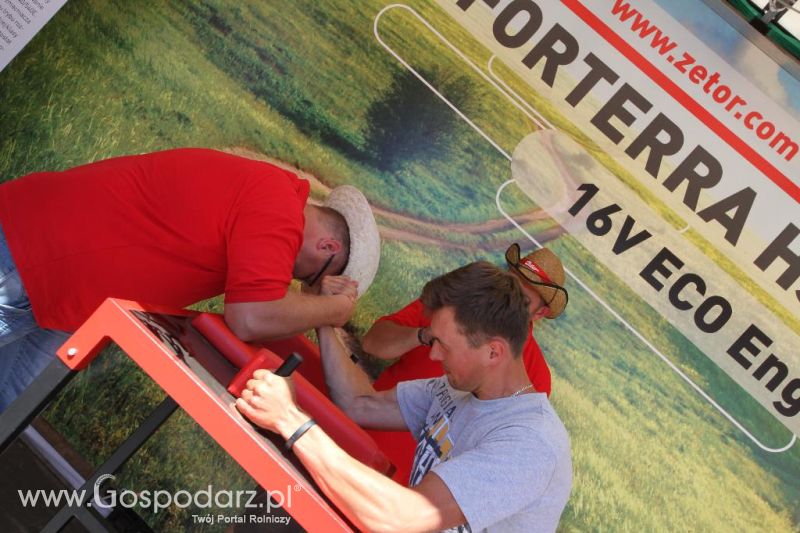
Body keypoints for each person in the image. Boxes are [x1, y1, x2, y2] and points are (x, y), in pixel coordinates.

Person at [0, 148, 380, 411]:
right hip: (35, 256)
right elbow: (250, 316)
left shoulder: (274, 200)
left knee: (13, 403)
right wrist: (333, 309)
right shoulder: (278, 211)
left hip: (62, 291)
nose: (301, 283)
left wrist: (321, 304)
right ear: (327, 245)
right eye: (311, 277)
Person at [236, 262, 572, 532]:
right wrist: (325, 317)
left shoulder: (530, 443)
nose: (432, 356)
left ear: (494, 352)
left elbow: (401, 518)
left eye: (443, 345)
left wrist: (290, 421)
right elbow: (358, 403)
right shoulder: (455, 390)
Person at [361, 243, 569, 482]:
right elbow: (372, 344)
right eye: (510, 285)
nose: (509, 300)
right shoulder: (454, 305)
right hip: (363, 439)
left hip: (413, 487)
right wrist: (425, 334)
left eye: (521, 300)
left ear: (540, 313)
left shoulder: (536, 375)